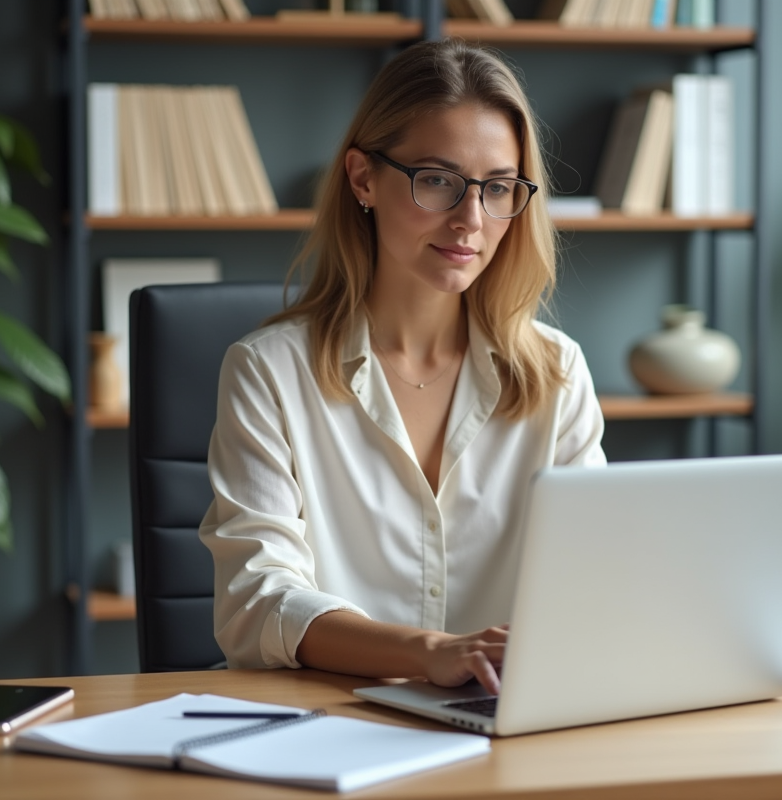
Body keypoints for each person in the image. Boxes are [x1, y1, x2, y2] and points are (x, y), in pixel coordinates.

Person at [199, 38, 606, 695]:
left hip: (508, 726)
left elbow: (596, 574)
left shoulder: (557, 373)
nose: (471, 220)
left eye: (498, 188)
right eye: (439, 181)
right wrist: (431, 652)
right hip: (327, 727)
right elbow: (258, 601)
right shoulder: (268, 371)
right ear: (363, 178)